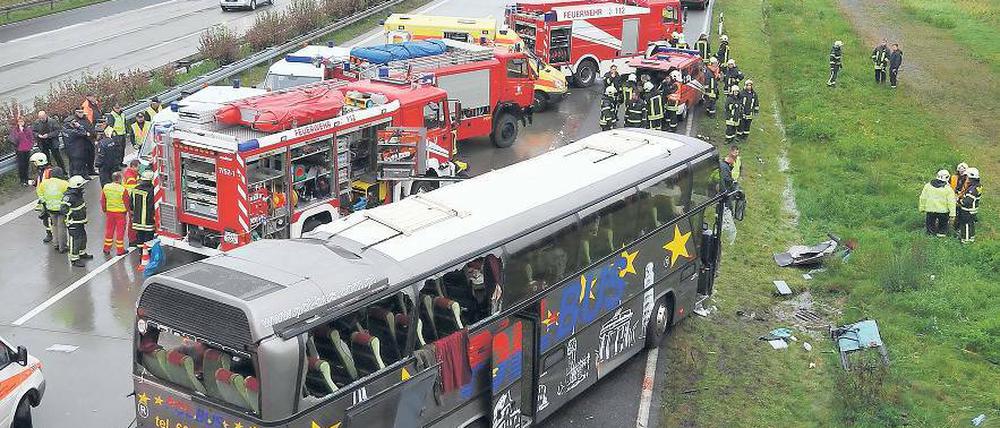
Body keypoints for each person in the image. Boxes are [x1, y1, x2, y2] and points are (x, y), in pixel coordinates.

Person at [63, 175, 93, 267]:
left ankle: (81, 252)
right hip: (73, 222)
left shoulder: (77, 194)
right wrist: (73, 215)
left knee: (83, 237)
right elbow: (63, 209)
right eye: (81, 185)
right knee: (75, 240)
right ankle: (74, 258)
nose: (83, 187)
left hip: (80, 221)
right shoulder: (69, 197)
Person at [36, 166, 68, 248]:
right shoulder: (64, 183)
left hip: (50, 208)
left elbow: (40, 193)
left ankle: (56, 243)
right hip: (61, 208)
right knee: (62, 226)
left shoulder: (44, 183)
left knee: (54, 225)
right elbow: (69, 195)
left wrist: (44, 203)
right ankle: (62, 246)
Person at [918, 170, 956, 237]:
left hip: (930, 210)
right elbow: (951, 202)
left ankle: (930, 237)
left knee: (930, 226)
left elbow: (923, 197)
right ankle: (941, 238)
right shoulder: (948, 189)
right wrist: (952, 214)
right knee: (942, 227)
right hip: (943, 211)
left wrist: (922, 208)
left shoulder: (928, 186)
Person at [101, 171, 130, 256]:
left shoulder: (106, 187)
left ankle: (106, 248)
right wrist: (129, 213)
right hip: (120, 213)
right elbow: (126, 202)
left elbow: (103, 200)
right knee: (120, 231)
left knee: (109, 230)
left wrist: (104, 209)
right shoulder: (122, 189)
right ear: (120, 179)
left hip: (110, 212)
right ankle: (120, 250)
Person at [63, 108, 95, 177]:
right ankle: (82, 176)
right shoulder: (72, 131)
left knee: (72, 164)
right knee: (80, 163)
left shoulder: (64, 130)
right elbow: (83, 133)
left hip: (70, 150)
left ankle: (73, 176)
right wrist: (79, 126)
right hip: (77, 149)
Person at [95, 119, 125, 186]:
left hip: (106, 165)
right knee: (114, 181)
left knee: (106, 183)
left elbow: (101, 156)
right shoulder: (108, 139)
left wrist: (97, 164)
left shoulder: (102, 142)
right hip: (112, 162)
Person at [131, 171, 157, 245]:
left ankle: (140, 253)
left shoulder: (135, 189)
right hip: (148, 221)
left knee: (140, 239)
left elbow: (131, 204)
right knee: (148, 241)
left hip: (137, 221)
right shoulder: (151, 190)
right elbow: (152, 205)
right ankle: (147, 254)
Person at [956, 168, 981, 243]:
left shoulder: (972, 189)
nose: (966, 178)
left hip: (968, 210)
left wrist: (958, 200)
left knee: (965, 224)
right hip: (973, 209)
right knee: (971, 224)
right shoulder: (977, 185)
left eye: (967, 177)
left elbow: (967, 202)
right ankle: (971, 237)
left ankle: (966, 240)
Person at [9, 116, 35, 186]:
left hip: (27, 149)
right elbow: (13, 140)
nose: (21, 123)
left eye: (22, 121)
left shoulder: (27, 129)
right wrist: (20, 132)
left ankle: (26, 178)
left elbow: (31, 138)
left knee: (26, 164)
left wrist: (31, 145)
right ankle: (22, 180)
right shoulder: (15, 130)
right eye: (19, 121)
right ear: (17, 123)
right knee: (21, 165)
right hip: (20, 150)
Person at [122, 159, 141, 246]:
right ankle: (132, 240)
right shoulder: (131, 178)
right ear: (133, 166)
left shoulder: (131, 174)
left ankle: (133, 237)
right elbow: (134, 191)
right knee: (133, 220)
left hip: (129, 200)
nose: (139, 169)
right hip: (131, 201)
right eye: (138, 167)